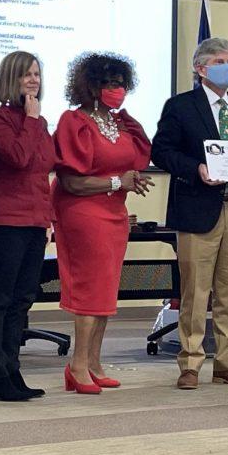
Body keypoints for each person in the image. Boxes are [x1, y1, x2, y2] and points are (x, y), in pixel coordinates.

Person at [152, 37, 228, 390]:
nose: (226, 66)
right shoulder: (181, 106)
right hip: (198, 209)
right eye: (218, 60)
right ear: (200, 68)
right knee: (196, 293)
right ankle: (190, 362)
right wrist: (196, 168)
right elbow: (162, 151)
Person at [52, 52, 152, 394]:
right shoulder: (74, 121)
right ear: (91, 85)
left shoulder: (121, 123)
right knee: (89, 288)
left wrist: (129, 179)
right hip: (82, 214)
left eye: (122, 84)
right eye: (110, 84)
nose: (118, 90)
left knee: (107, 290)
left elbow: (130, 163)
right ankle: (76, 365)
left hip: (114, 214)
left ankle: (94, 363)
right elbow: (72, 182)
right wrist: (116, 182)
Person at [0, 51, 56, 401]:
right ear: (11, 78)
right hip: (6, 219)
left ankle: (12, 369)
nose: (34, 80)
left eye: (37, 74)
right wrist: (33, 121)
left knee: (22, 300)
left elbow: (46, 167)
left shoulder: (38, 121)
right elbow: (20, 158)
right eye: (26, 74)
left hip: (36, 219)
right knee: (0, 300)